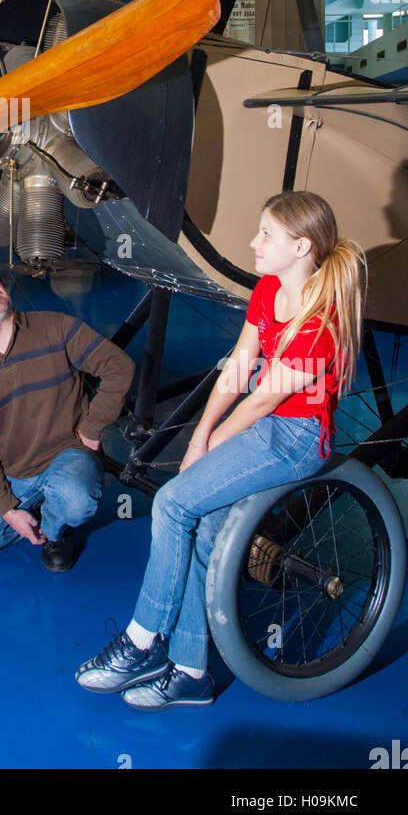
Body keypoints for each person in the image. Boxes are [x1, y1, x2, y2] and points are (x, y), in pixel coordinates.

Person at [76, 190, 365, 711]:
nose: (254, 243)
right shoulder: (268, 292)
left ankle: (142, 639)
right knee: (202, 524)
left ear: (301, 247)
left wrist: (206, 451)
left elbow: (260, 402)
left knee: (172, 503)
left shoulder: (321, 323)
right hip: (263, 425)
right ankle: (191, 671)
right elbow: (235, 369)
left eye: (267, 235)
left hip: (297, 439)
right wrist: (202, 435)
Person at [0, 263, 136, 572]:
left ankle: (54, 531)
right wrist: (7, 509)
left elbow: (118, 366)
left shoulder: (55, 327)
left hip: (68, 454)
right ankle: (32, 516)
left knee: (77, 499)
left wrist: (93, 428)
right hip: (15, 468)